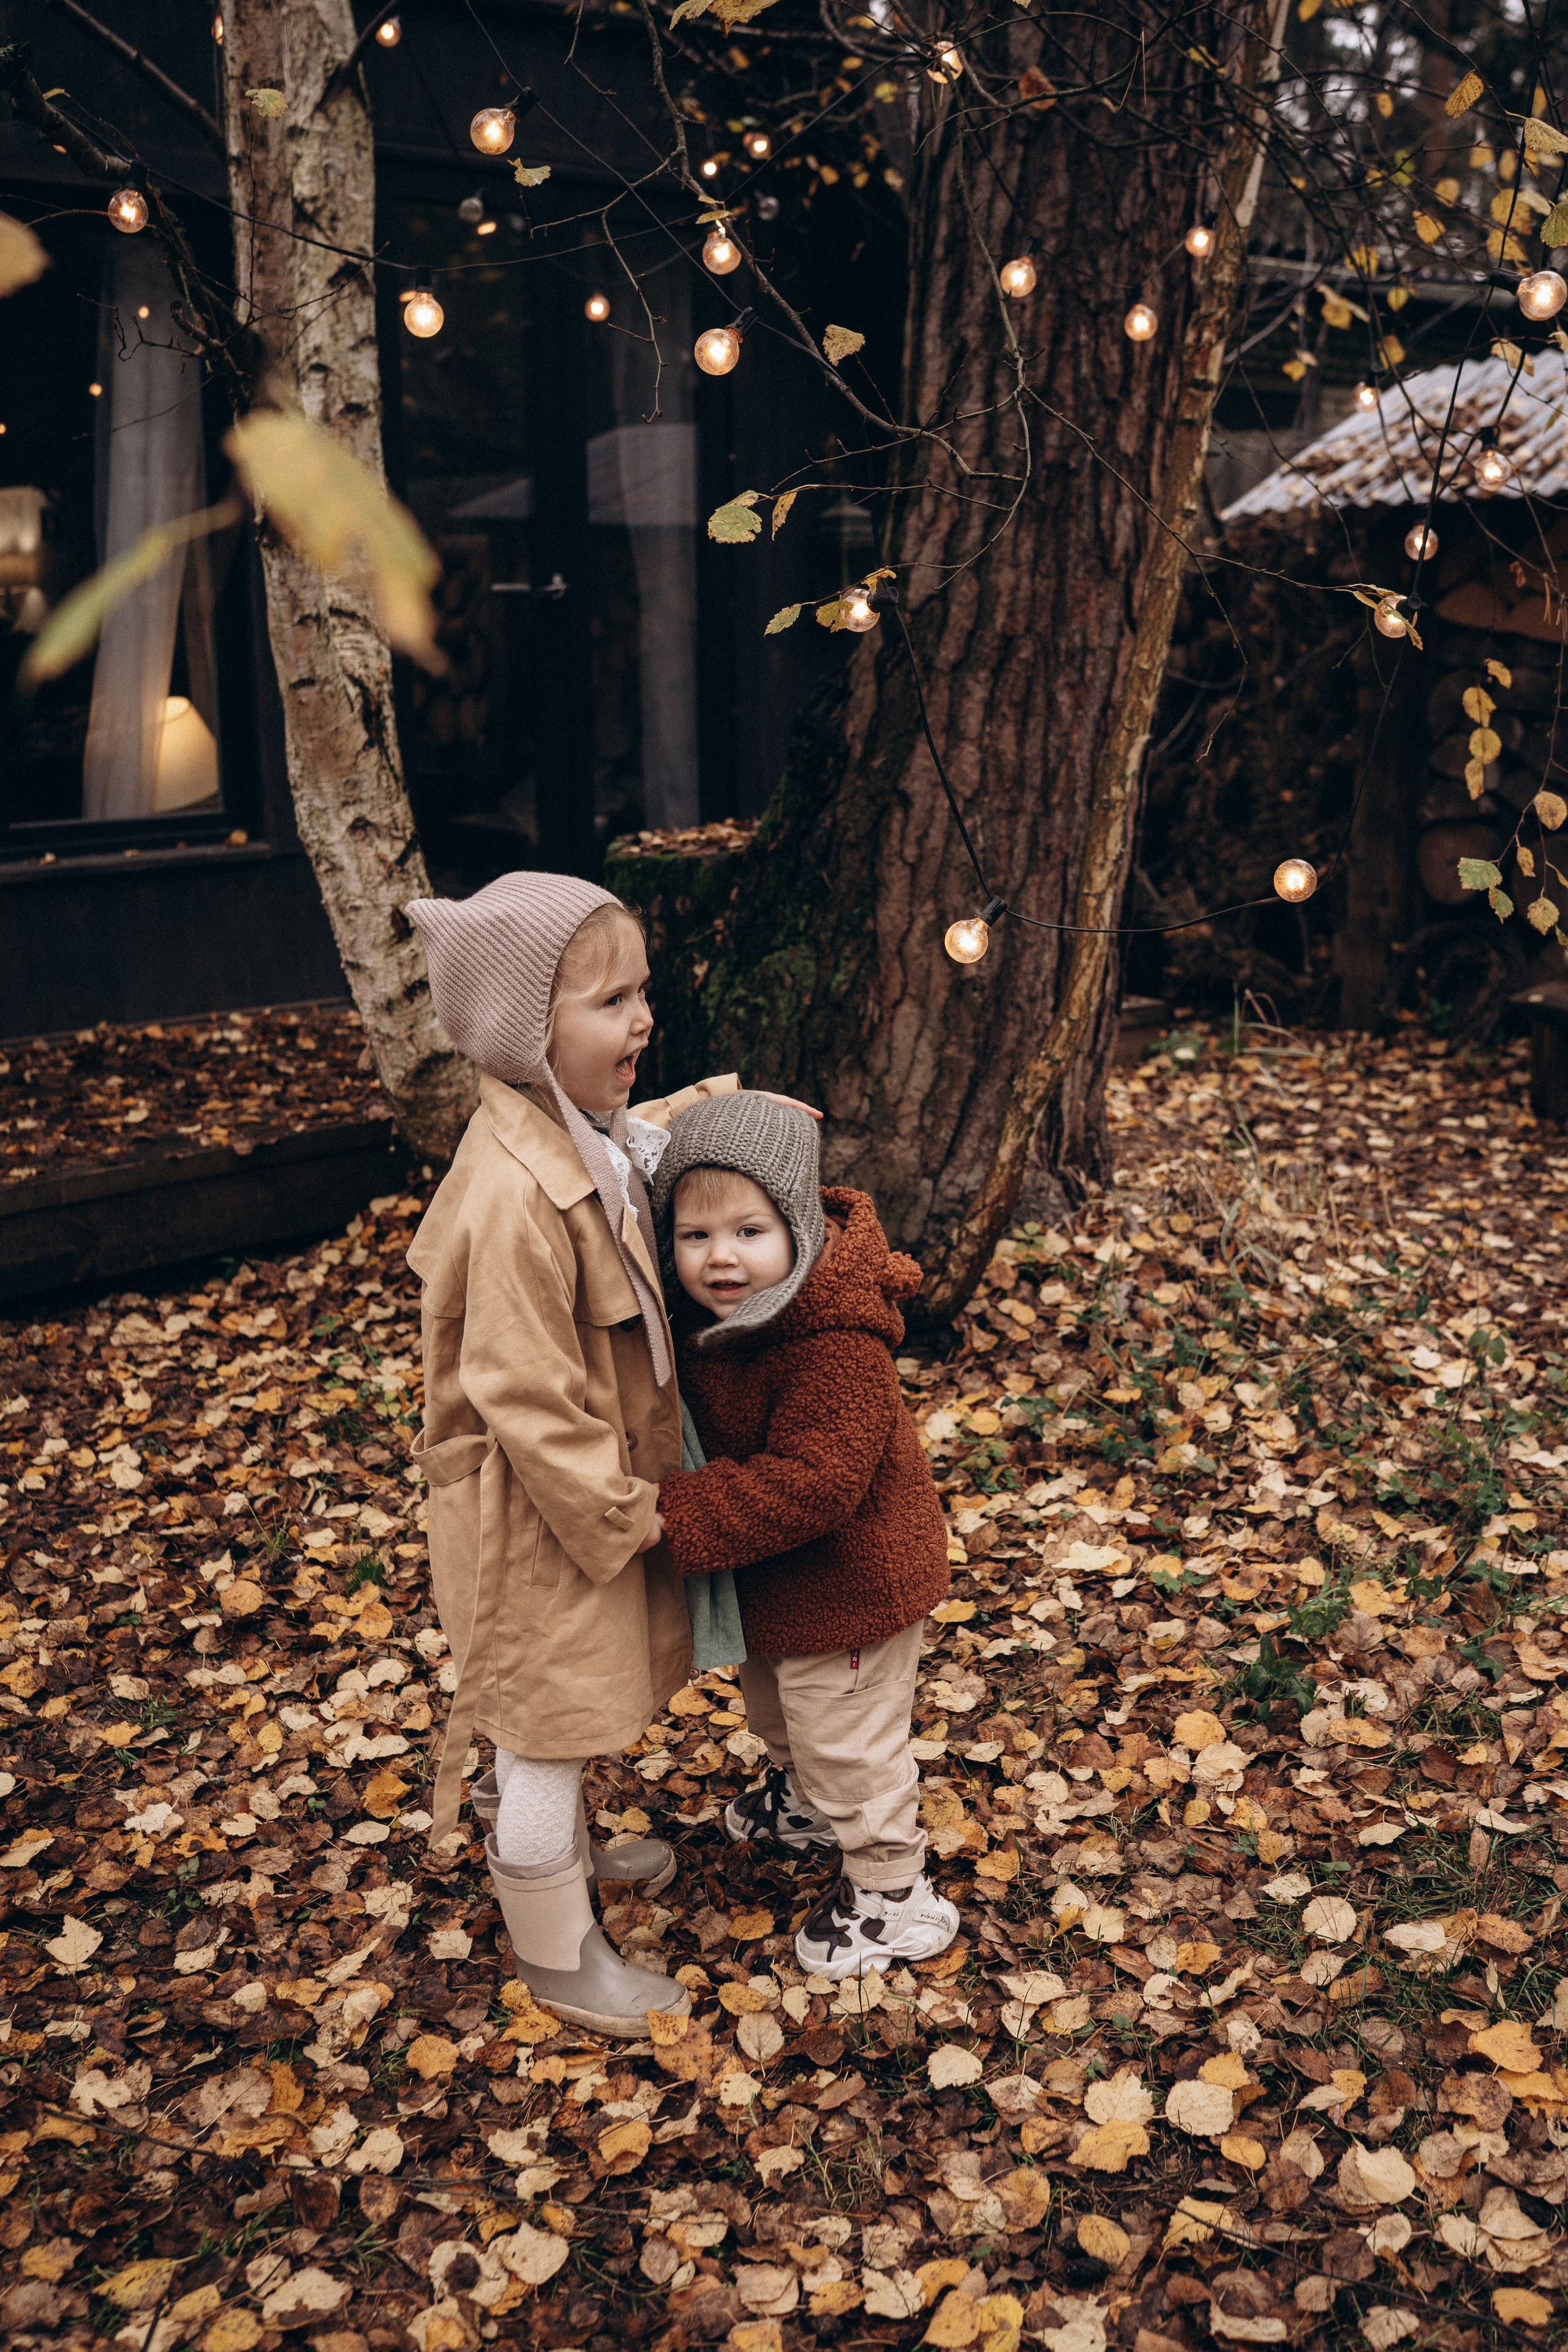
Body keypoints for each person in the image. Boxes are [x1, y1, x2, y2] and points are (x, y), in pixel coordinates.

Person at [404, 872, 744, 2037]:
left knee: (574, 1696)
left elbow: (643, 1149)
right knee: (544, 1723)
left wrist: (734, 1114)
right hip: (535, 1512)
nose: (641, 1019)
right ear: (526, 1032)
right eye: (611, 1001)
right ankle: (557, 1955)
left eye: (642, 992)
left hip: (572, 1499)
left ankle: (574, 1856)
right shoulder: (513, 1196)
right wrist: (622, 1509)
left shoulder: (572, 1133)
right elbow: (523, 1394)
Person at [650, 1092, 960, 1980]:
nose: (720, 1258)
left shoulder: (836, 1342)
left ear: (796, 1225)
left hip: (856, 1583)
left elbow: (817, 1483)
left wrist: (680, 1515)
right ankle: (809, 1802)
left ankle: (895, 1893)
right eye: (695, 1236)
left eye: (749, 1232)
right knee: (778, 1705)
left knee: (846, 1738)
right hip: (789, 1587)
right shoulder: (735, 1316)